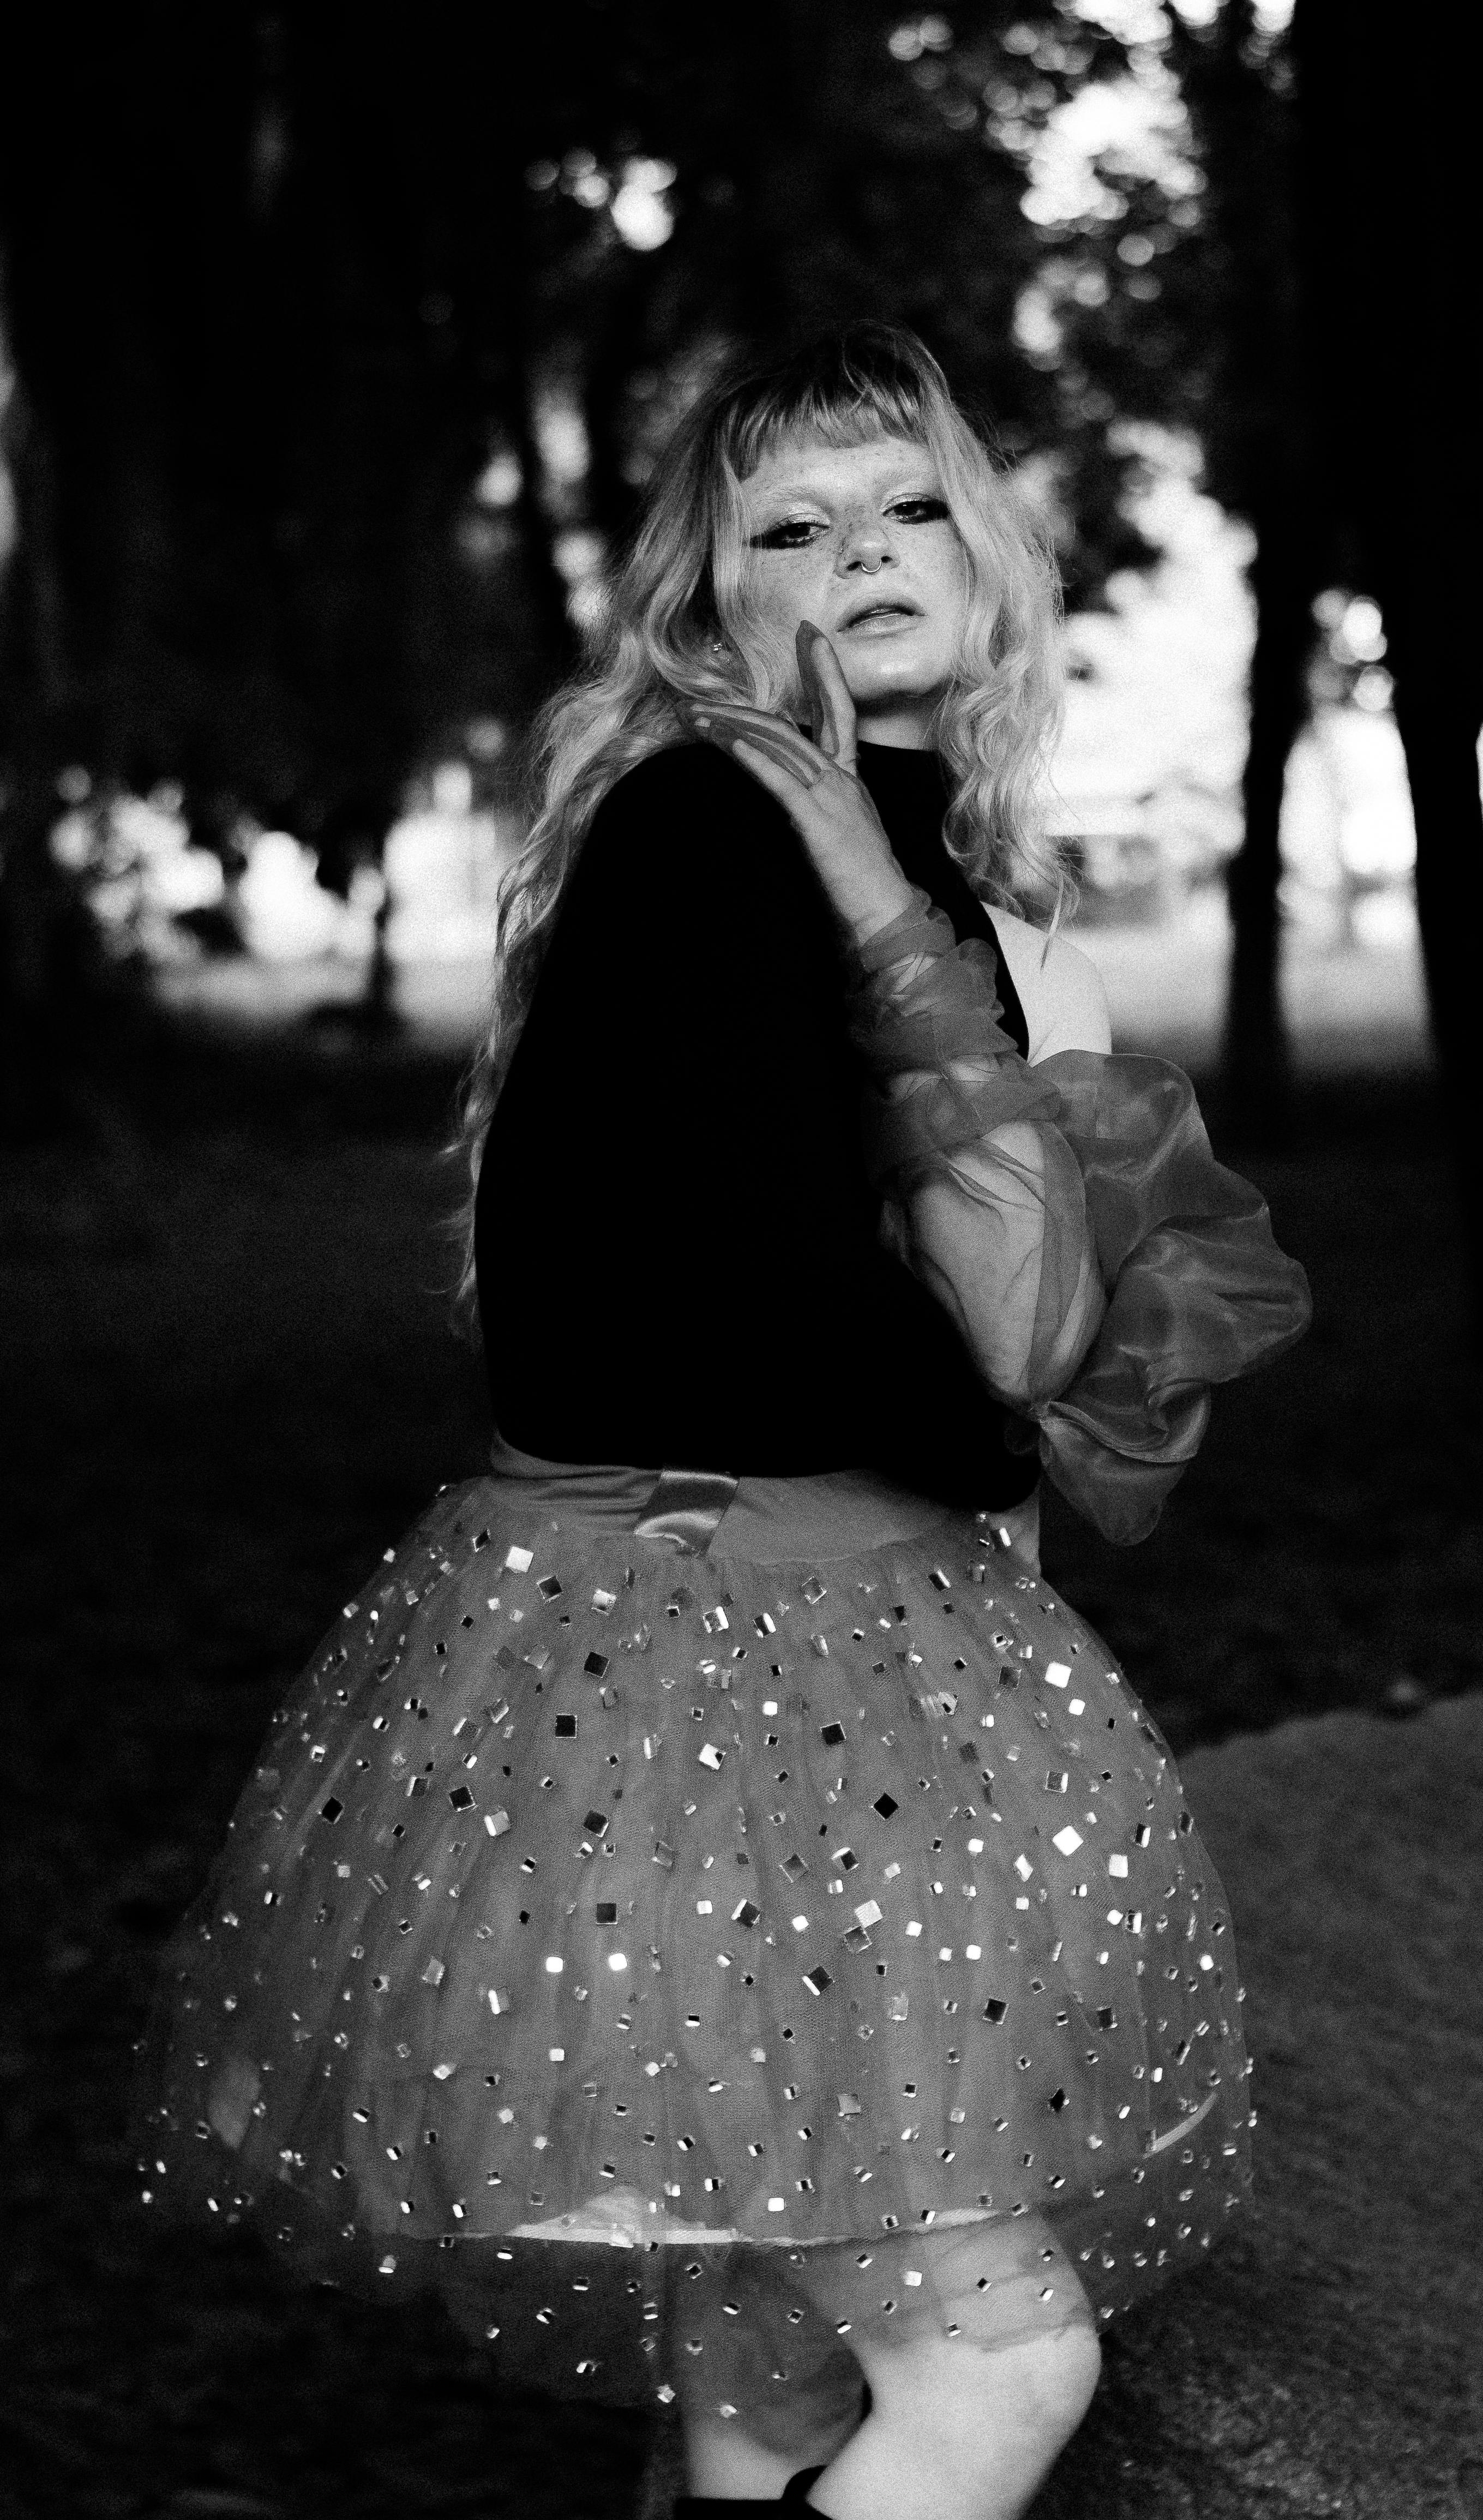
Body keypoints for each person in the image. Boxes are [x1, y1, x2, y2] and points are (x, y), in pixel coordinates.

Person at [134, 325, 1311, 2520]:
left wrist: (1001, 1402)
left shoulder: (890, 857)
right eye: (790, 525)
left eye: (903, 509)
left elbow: (1009, 1294)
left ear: (988, 564)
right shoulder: (713, 821)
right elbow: (704, 1304)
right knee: (994, 2378)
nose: (855, 549)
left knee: (767, 2394)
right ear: (704, 607)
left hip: (835, 1651)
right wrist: (982, 1428)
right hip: (710, 1663)